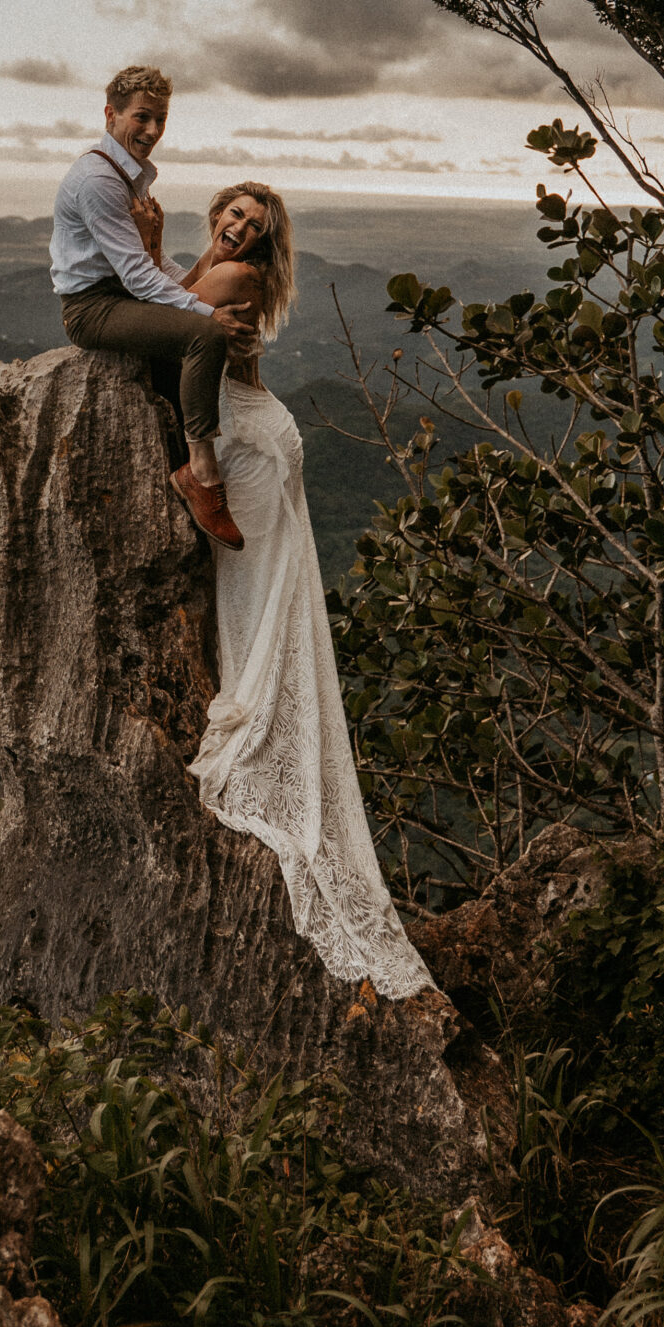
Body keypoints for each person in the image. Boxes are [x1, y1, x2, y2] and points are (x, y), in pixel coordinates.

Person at [183, 178, 434, 998]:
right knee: (262, 602)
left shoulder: (231, 280)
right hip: (258, 430)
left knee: (254, 602)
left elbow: (161, 317)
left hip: (249, 450)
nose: (237, 228)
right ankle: (263, 712)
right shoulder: (214, 265)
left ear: (262, 245)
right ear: (218, 212)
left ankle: (260, 729)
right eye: (232, 214)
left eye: (252, 226)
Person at [52, 67, 260, 545]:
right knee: (203, 336)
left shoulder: (128, 174)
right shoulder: (99, 180)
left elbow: (155, 262)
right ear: (111, 114)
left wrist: (196, 288)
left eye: (160, 119)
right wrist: (206, 314)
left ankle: (178, 450)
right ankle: (201, 475)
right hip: (92, 308)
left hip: (117, 295)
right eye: (141, 117)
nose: (151, 130)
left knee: (195, 330)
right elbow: (138, 276)